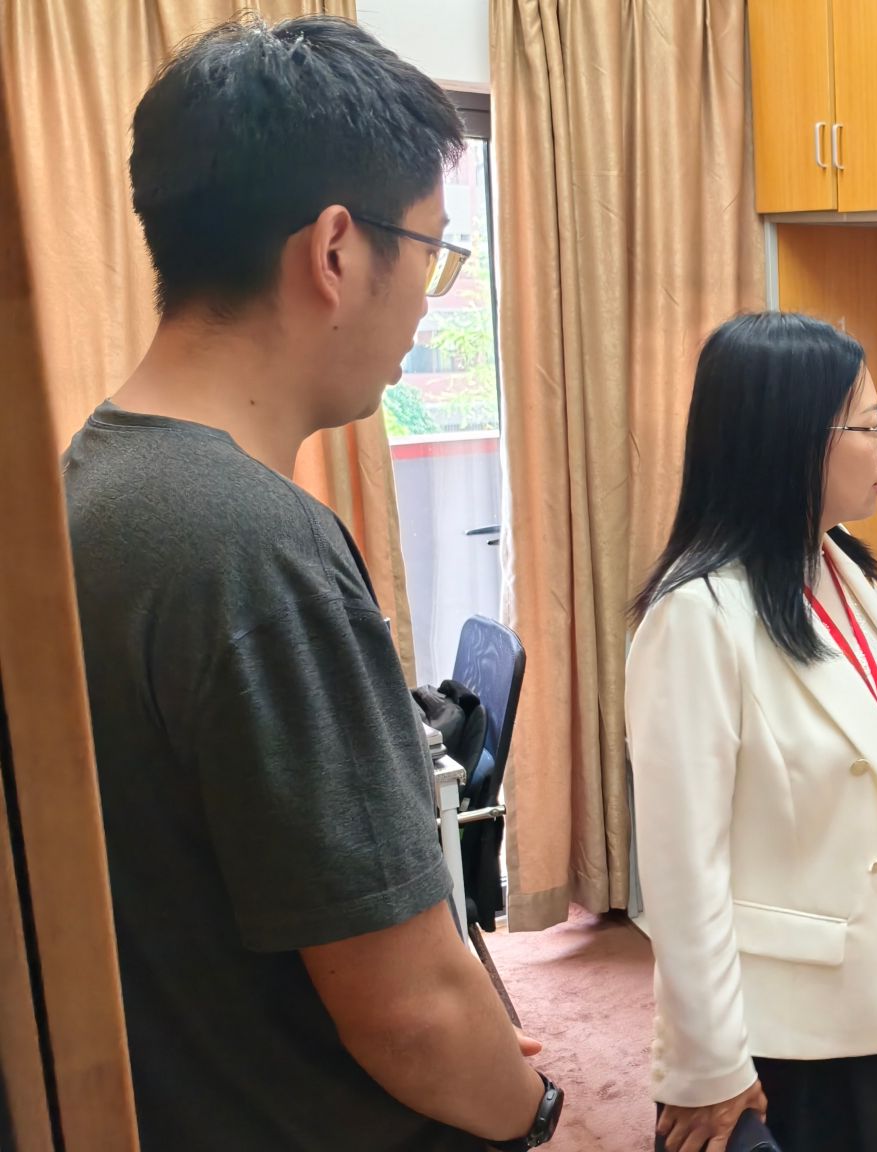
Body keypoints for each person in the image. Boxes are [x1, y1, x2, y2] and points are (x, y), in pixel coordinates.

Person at [63, 15, 560, 1150]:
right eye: (431, 253)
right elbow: (412, 1011)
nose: (429, 297)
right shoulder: (257, 549)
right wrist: (531, 1110)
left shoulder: (91, 475)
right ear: (336, 250)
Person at [626, 311, 877, 1152]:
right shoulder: (697, 617)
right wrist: (710, 1064)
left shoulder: (833, 563)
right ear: (791, 441)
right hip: (786, 1021)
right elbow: (683, 871)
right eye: (869, 426)